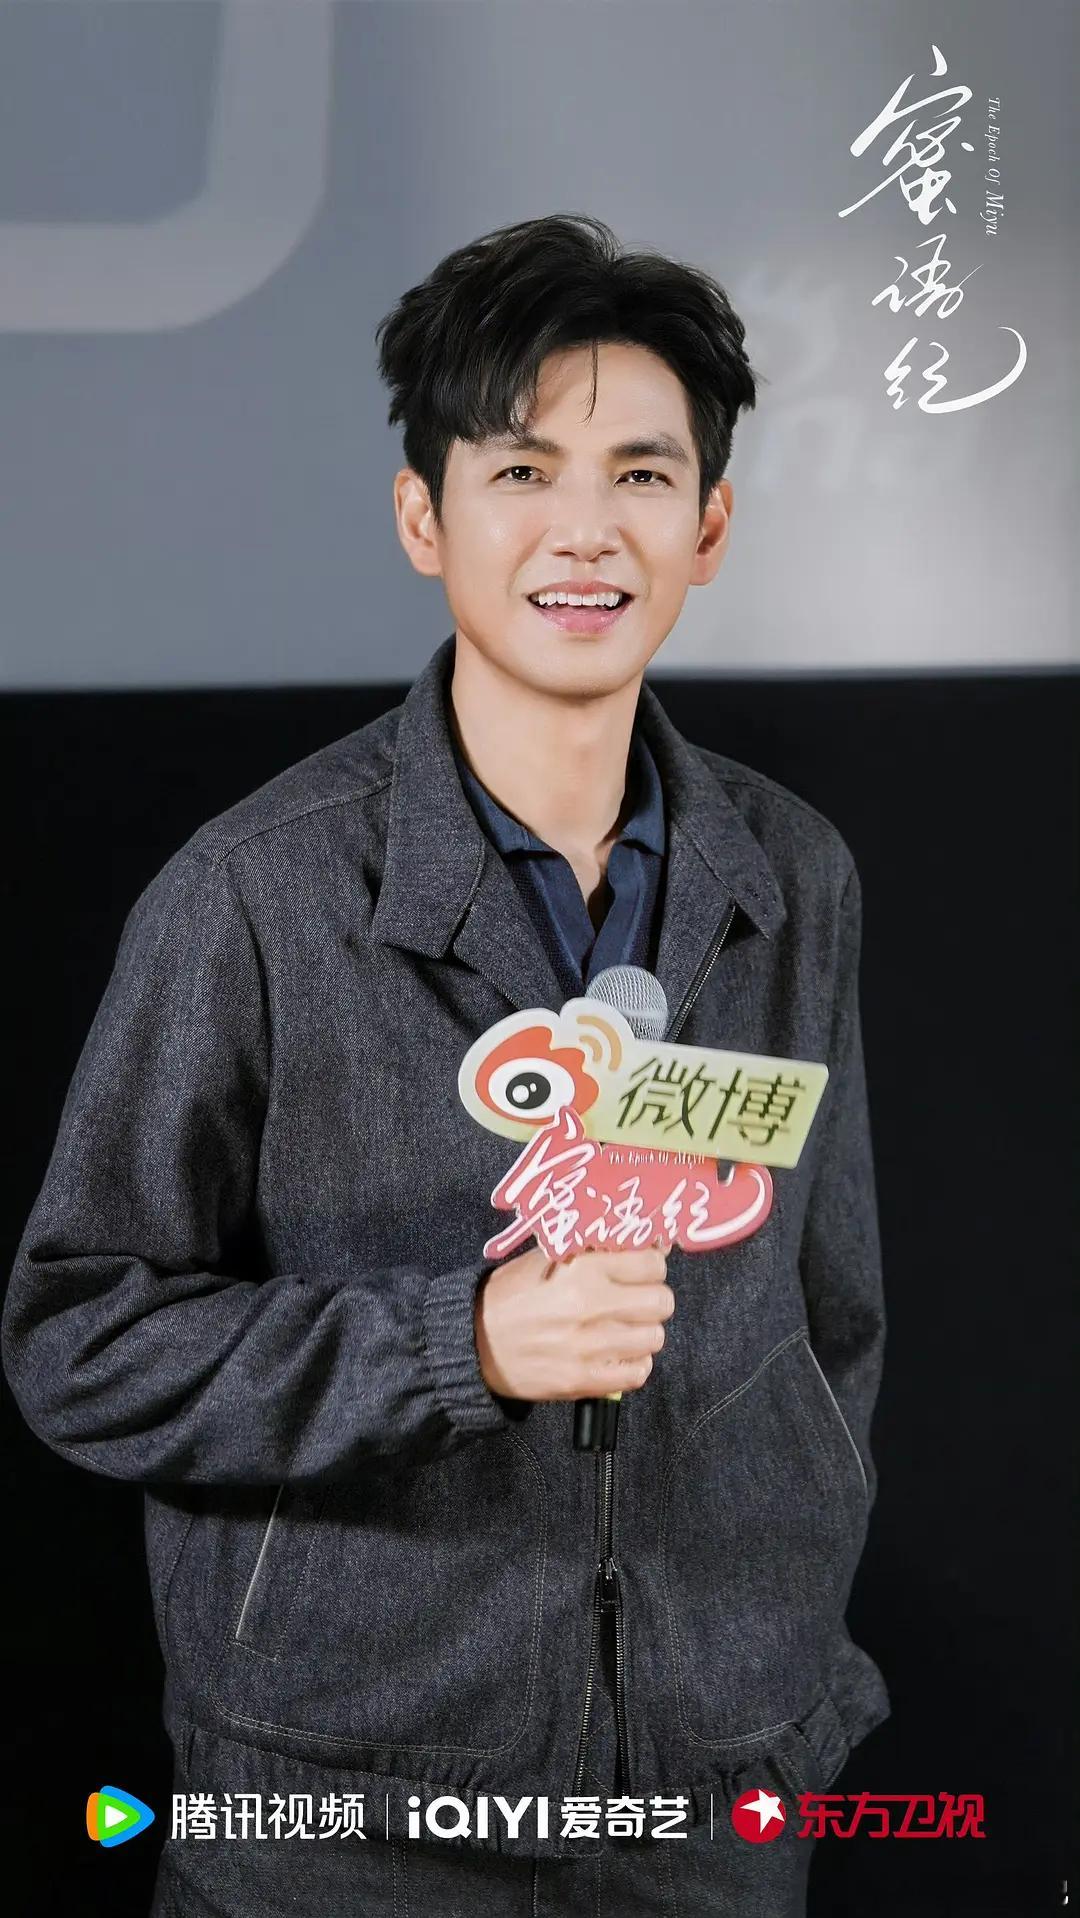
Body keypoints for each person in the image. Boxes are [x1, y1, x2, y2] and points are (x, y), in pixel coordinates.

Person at [2, 213, 890, 1916]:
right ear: (424, 516)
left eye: (643, 475)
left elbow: (830, 1318)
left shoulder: (793, 878)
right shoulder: (254, 893)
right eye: (522, 471)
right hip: (340, 1819)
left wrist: (772, 1649)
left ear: (709, 525)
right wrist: (458, 1342)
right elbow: (78, 1336)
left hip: (707, 1805)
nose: (586, 530)